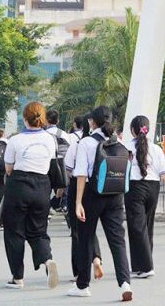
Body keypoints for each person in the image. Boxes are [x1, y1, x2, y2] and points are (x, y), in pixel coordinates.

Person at [70, 106, 132, 300]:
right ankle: (125, 283)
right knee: (118, 240)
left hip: (92, 194)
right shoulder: (118, 141)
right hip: (115, 194)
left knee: (86, 238)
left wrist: (78, 203)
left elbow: (81, 174)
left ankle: (83, 286)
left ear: (91, 122)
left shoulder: (86, 142)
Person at [1, 101, 59, 290]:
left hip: (18, 185)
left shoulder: (15, 140)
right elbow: (52, 164)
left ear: (24, 118)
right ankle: (47, 260)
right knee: (38, 231)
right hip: (42, 186)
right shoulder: (50, 139)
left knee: (14, 232)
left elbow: (8, 168)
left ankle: (18, 277)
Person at [126, 115, 165, 279]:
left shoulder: (127, 148)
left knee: (137, 227)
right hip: (153, 188)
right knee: (146, 227)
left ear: (132, 130)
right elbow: (164, 173)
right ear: (147, 129)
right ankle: (139, 265)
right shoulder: (156, 149)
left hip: (135, 188)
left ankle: (146, 267)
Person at [63, 112, 104, 287]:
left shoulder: (78, 143)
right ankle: (96, 258)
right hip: (97, 187)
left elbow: (68, 167)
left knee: (77, 231)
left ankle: (79, 271)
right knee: (90, 228)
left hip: (78, 187)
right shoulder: (104, 141)